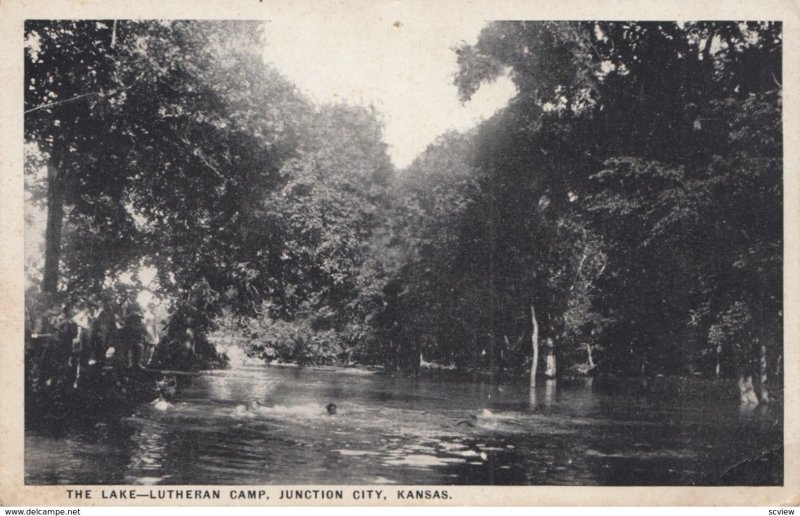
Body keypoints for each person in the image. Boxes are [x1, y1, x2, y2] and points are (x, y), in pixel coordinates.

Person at [142, 302, 161, 367]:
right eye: (151, 307)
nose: (153, 308)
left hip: (152, 329)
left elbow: (155, 325)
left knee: (152, 345)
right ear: (149, 307)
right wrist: (145, 331)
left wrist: (155, 333)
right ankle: (145, 359)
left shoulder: (153, 314)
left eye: (153, 307)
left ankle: (149, 360)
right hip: (148, 329)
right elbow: (144, 323)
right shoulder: (147, 314)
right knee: (148, 345)